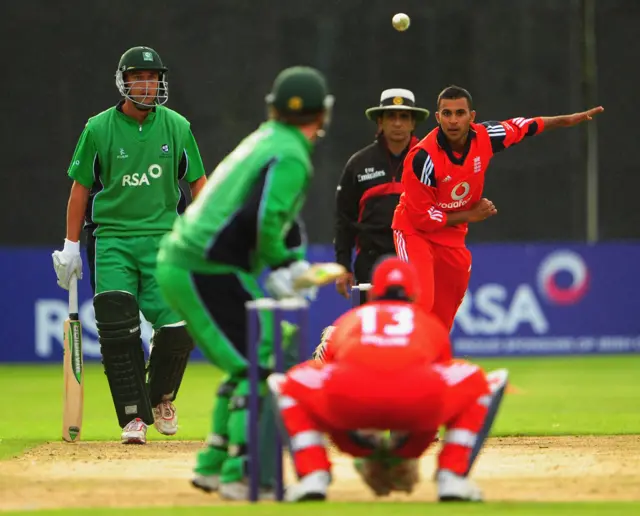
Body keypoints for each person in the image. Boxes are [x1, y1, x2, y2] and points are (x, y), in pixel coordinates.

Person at [155, 66, 335, 500]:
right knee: (266, 360)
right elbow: (266, 217)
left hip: (199, 263)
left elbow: (268, 214)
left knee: (253, 358)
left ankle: (215, 465)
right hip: (204, 266)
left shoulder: (265, 140)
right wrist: (286, 264)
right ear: (323, 115)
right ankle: (245, 472)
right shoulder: (291, 152)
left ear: (273, 106)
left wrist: (288, 259)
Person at [51, 46, 207, 445]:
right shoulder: (98, 128)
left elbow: (198, 185)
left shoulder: (178, 127)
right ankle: (134, 417)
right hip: (114, 240)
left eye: (153, 78)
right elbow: (80, 190)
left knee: (179, 325)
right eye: (138, 76)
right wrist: (70, 246)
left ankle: (162, 398)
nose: (147, 84)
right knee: (118, 327)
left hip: (164, 242)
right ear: (124, 81)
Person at [267, 256, 509, 502]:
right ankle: (452, 477)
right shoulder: (428, 324)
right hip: (416, 412)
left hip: (349, 412)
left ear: (374, 292)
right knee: (484, 381)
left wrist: (358, 444)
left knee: (284, 384)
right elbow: (438, 383)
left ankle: (313, 475)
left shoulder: (349, 322)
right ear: (414, 293)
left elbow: (326, 374)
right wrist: (408, 448)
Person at [392, 85, 604, 330]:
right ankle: (389, 354)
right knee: (421, 302)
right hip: (414, 232)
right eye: (446, 114)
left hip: (452, 235)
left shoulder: (487, 135)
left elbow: (526, 126)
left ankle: (433, 365)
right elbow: (420, 218)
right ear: (438, 117)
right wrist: (470, 215)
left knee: (444, 314)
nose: (453, 120)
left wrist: (565, 121)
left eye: (459, 113)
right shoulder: (423, 158)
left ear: (471, 117)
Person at [334, 89, 430, 304]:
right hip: (370, 263)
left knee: (414, 331)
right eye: (391, 116)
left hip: (417, 263)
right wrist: (343, 266)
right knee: (371, 333)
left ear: (413, 123)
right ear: (380, 122)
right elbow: (344, 220)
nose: (397, 123)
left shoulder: (429, 161)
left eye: (404, 117)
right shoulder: (359, 164)